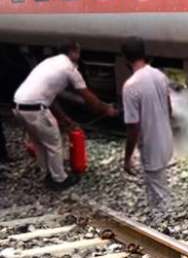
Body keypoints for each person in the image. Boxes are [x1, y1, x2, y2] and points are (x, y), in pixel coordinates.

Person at [12, 41, 117, 190]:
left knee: (39, 141)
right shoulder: (69, 68)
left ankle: (47, 172)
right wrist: (106, 109)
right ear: (73, 52)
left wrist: (65, 119)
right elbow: (87, 96)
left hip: (18, 106)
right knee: (54, 143)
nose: (79, 55)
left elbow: (51, 97)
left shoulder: (49, 62)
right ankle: (59, 179)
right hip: (35, 109)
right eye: (78, 52)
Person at [121, 36, 174, 210]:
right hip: (166, 141)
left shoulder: (130, 86)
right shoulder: (159, 75)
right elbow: (169, 108)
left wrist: (127, 158)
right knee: (159, 184)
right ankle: (160, 214)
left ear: (125, 58)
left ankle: (164, 220)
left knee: (159, 195)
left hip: (152, 146)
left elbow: (133, 127)